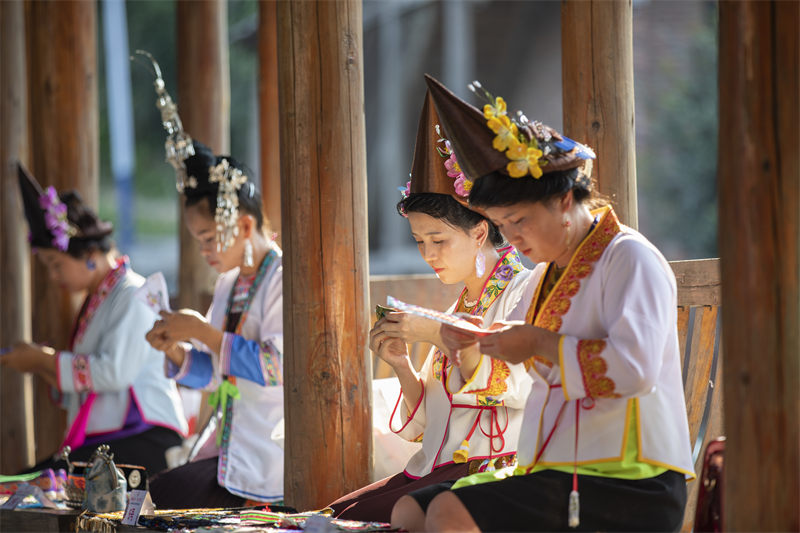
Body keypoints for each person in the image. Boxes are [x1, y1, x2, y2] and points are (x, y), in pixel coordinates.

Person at [396, 75, 695, 532]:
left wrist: (538, 342)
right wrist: (474, 340)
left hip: (629, 476)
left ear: (562, 201)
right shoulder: (543, 277)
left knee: (449, 512)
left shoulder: (629, 257)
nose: (512, 238)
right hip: (560, 464)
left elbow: (634, 369)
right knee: (411, 512)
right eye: (502, 224)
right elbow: (514, 352)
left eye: (518, 221)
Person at [326, 90, 532, 523]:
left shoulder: (522, 290)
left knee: (352, 523)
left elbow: (516, 383)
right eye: (420, 242)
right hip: (433, 468)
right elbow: (423, 427)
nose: (428, 254)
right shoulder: (462, 301)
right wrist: (401, 364)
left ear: (479, 233)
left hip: (487, 470)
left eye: (438, 240)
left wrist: (434, 333)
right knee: (334, 514)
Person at [138, 57, 285, 508]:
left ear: (242, 226)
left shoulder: (282, 278)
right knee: (155, 494)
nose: (204, 252)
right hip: (229, 446)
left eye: (207, 238)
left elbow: (278, 368)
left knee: (162, 497)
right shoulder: (229, 284)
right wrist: (176, 349)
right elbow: (212, 373)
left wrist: (199, 329)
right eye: (196, 240)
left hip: (273, 450)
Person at [4, 164, 187, 476]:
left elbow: (112, 372)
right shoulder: (101, 298)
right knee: (30, 483)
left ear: (89, 253)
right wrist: (38, 363)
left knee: (32, 485)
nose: (52, 275)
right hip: (112, 440)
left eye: (55, 264)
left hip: (143, 437)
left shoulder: (132, 293)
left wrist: (44, 360)